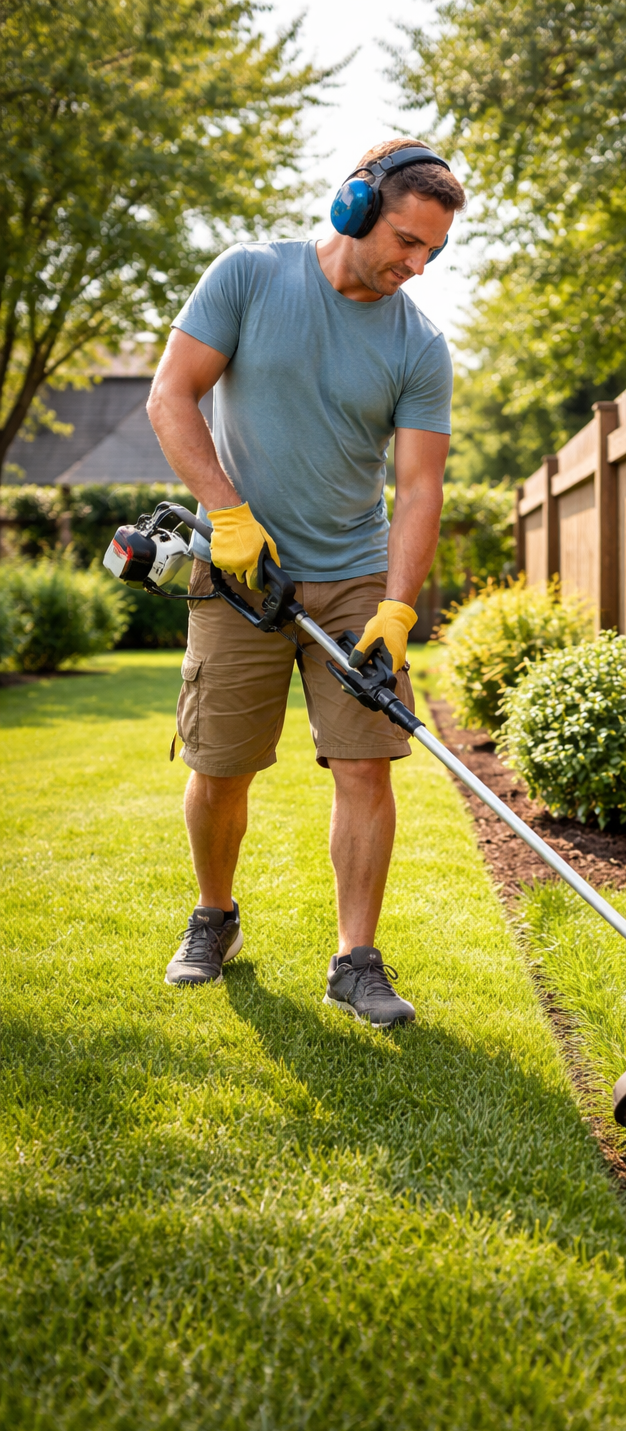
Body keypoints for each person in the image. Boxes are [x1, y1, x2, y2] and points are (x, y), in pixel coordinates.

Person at [147, 138, 465, 1025]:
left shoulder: (419, 346)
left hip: (354, 575)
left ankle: (355, 959)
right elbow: (171, 396)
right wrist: (229, 514)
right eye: (405, 239)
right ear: (354, 206)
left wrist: (398, 607)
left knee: (367, 769)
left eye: (432, 252)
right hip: (236, 574)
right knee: (220, 767)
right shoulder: (249, 277)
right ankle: (214, 917)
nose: (416, 264)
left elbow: (420, 488)